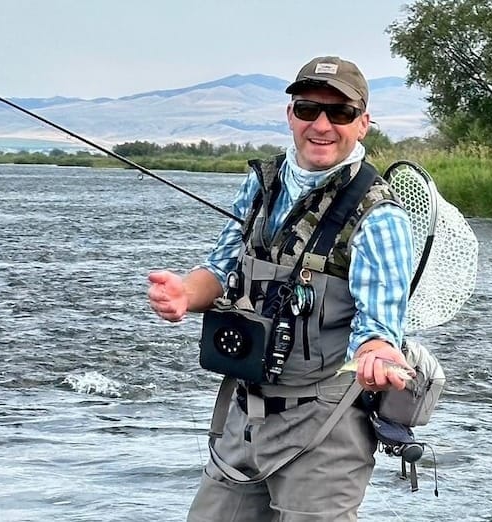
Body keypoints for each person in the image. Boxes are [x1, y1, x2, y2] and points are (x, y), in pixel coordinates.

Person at [148, 55, 415, 521]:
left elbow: (379, 326)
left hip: (326, 428)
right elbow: (221, 271)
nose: (323, 125)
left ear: (364, 123)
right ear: (290, 115)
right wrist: (183, 294)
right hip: (246, 415)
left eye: (341, 113)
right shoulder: (260, 184)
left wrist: (378, 354)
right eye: (309, 109)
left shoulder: (381, 217)